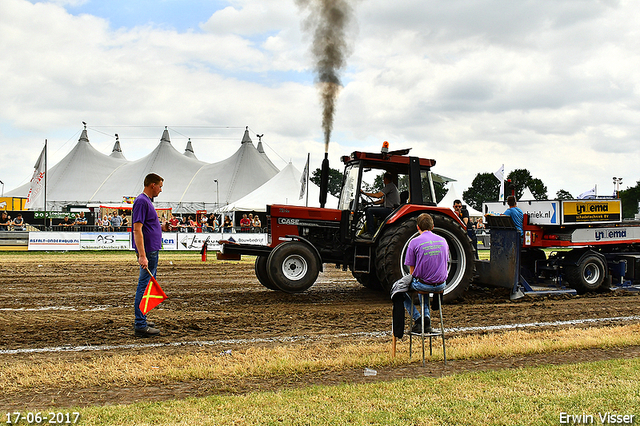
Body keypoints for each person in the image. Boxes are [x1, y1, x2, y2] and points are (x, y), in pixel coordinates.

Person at [132, 173, 167, 338]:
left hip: (151, 250)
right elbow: (137, 229)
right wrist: (142, 255)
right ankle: (140, 323)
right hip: (148, 252)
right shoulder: (141, 201)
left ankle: (142, 318)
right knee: (144, 286)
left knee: (147, 286)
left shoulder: (146, 202)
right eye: (160, 186)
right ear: (152, 185)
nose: (161, 190)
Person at [403, 213, 449, 334]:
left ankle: (418, 319)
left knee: (398, 290)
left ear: (417, 227)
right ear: (433, 226)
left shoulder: (414, 242)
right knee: (423, 284)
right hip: (441, 285)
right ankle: (426, 320)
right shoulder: (443, 240)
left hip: (424, 284)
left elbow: (412, 272)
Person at [360, 172, 400, 238]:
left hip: (390, 210)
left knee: (369, 210)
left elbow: (378, 195)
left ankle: (371, 233)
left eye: (384, 179)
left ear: (385, 179)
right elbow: (382, 200)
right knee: (370, 208)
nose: (384, 181)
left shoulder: (390, 186)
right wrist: (370, 203)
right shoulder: (392, 187)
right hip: (390, 209)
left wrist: (364, 193)